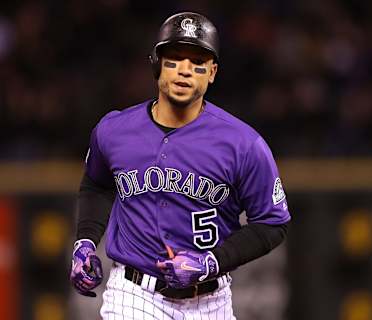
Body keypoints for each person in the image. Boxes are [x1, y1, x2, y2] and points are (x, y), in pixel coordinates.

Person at [70, 11, 291, 319]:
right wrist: (85, 242)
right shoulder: (113, 130)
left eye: (198, 62)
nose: (185, 71)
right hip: (134, 295)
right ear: (156, 63)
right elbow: (97, 184)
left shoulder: (243, 144)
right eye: (174, 58)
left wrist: (212, 262)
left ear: (212, 72)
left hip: (210, 300)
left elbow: (272, 222)